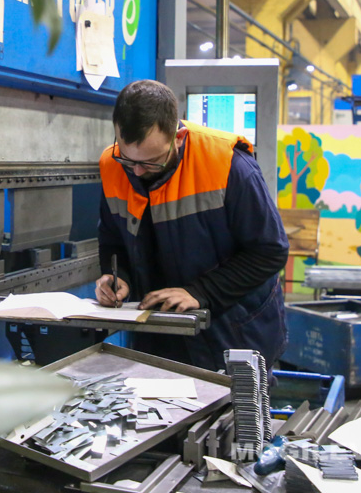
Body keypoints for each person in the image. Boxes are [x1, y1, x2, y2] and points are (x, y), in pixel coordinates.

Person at [94, 79, 289, 373]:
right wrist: (117, 277)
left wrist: (201, 291)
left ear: (179, 137)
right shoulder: (113, 165)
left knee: (235, 403)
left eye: (151, 162)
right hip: (159, 331)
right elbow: (113, 241)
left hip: (233, 332)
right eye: (128, 159)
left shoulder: (229, 165)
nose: (137, 171)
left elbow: (270, 251)